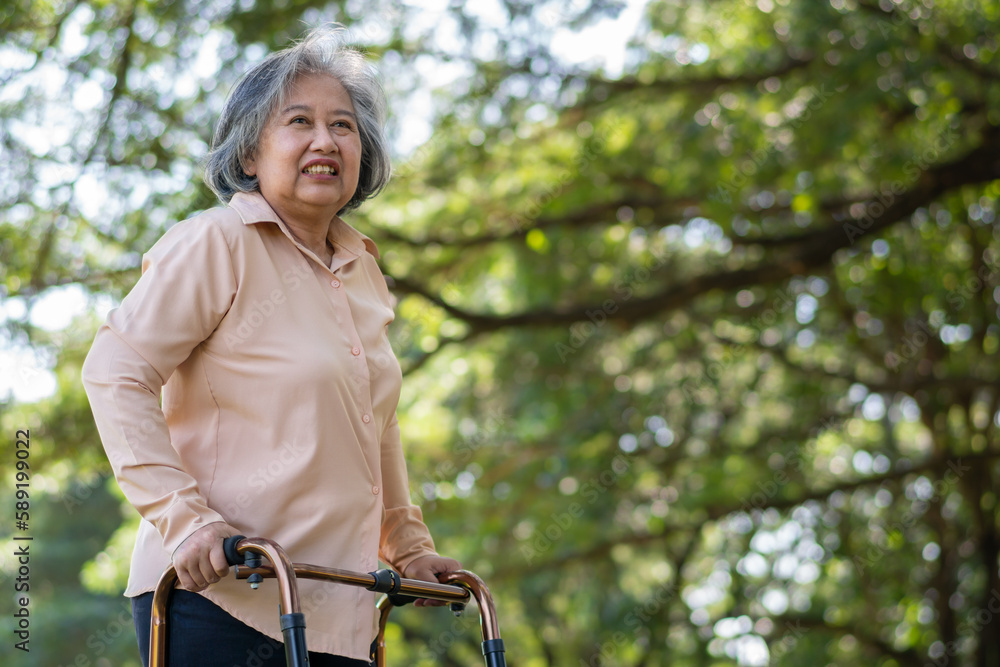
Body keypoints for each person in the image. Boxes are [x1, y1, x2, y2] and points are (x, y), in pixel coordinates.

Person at [82, 25, 460, 666]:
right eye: (299, 121)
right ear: (250, 153)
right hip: (224, 594)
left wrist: (408, 545)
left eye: (344, 126)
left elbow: (376, 423)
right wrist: (187, 518)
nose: (326, 140)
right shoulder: (217, 241)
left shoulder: (361, 270)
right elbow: (116, 371)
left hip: (341, 603)